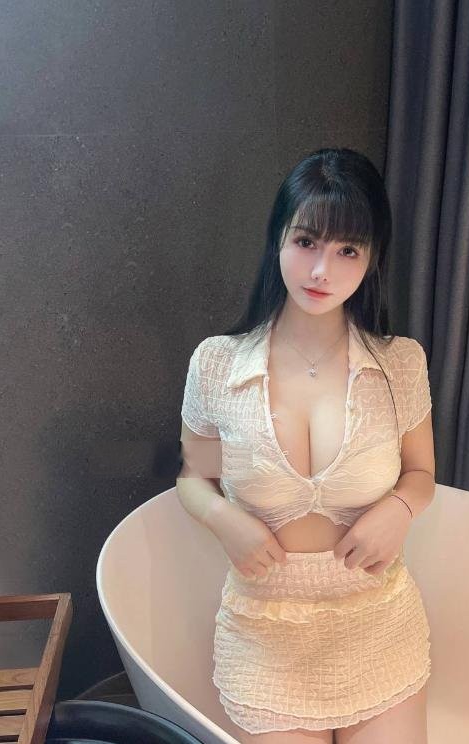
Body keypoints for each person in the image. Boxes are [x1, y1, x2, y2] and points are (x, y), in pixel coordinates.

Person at [177, 147, 435, 744]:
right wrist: (224, 520)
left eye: (348, 250)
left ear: (372, 259)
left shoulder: (401, 364)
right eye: (306, 241)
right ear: (278, 239)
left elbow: (421, 473)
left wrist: (400, 510)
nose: (322, 270)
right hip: (265, 630)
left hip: (377, 620)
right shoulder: (217, 365)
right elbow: (195, 476)